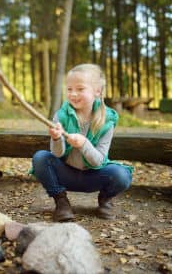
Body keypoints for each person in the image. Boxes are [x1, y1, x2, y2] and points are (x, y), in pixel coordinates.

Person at [31, 64, 133, 221]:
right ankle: (61, 202)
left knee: (121, 174)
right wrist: (57, 138)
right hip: (67, 174)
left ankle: (105, 199)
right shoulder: (61, 116)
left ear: (97, 91)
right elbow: (57, 154)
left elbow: (99, 161)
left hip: (95, 175)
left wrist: (84, 144)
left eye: (80, 89)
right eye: (69, 89)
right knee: (40, 158)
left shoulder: (107, 120)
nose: (73, 94)